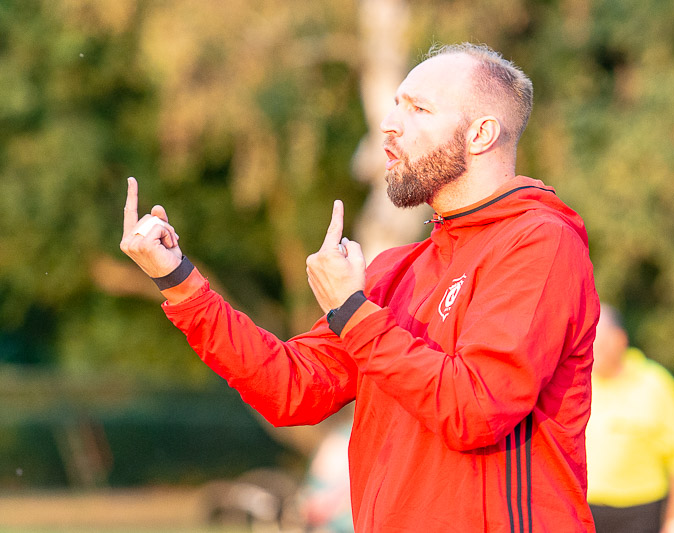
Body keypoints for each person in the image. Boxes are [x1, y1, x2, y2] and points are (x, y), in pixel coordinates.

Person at [121, 43, 599, 532]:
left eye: (418, 109)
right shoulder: (397, 269)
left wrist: (351, 311)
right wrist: (179, 282)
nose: (389, 125)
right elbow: (290, 389)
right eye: (395, 105)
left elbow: (474, 409)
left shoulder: (540, 242)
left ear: (481, 134)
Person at [586, 304, 674, 533]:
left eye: (599, 340)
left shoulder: (655, 383)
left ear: (619, 339)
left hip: (641, 511)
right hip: (584, 507)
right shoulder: (574, 382)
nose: (592, 348)